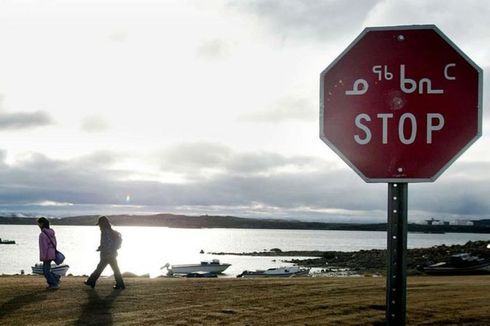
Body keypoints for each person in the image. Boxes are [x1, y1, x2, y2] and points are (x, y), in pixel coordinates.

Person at [84, 216, 125, 289]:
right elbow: (107, 243)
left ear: (102, 224)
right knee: (113, 269)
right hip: (111, 254)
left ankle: (91, 281)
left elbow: (107, 243)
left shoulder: (105, 231)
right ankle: (120, 284)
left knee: (100, 268)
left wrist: (106, 252)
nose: (99, 226)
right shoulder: (110, 231)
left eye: (99, 224)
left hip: (107, 254)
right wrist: (101, 248)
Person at [37, 217, 61, 290]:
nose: (38, 225)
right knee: (46, 270)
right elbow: (55, 243)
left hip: (47, 254)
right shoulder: (51, 232)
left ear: (42, 224)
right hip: (52, 253)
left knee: (45, 271)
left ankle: (54, 283)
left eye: (38, 223)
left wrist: (43, 257)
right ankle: (56, 278)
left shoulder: (42, 234)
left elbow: (43, 247)